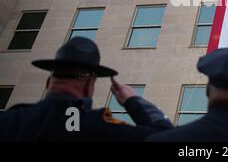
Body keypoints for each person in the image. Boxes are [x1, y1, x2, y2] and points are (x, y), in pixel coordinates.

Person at [0, 36, 173, 141]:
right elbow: (167, 137)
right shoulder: (96, 126)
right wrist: (132, 101)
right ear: (90, 85)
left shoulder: (10, 120)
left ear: (48, 82)